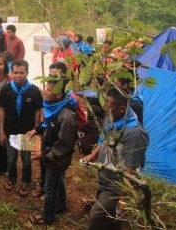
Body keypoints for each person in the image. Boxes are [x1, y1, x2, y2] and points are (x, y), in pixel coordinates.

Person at [86, 88, 148, 230]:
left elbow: (130, 170)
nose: (105, 108)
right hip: (105, 177)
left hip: (116, 186)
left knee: (96, 219)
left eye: (109, 105)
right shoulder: (112, 119)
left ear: (122, 109)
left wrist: (123, 199)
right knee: (111, 220)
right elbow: (104, 141)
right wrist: (93, 155)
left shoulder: (134, 134)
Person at [28, 70, 79, 226]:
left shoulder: (67, 116)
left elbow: (63, 145)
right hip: (51, 154)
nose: (45, 91)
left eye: (49, 90)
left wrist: (43, 155)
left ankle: (48, 216)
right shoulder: (54, 106)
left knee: (49, 187)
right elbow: (48, 123)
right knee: (59, 180)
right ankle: (61, 205)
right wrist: (37, 129)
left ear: (58, 94)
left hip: (56, 158)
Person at [0, 59, 43, 195]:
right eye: (15, 72)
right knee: (11, 160)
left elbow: (37, 110)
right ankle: (12, 179)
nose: (18, 76)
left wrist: (36, 128)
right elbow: (2, 110)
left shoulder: (33, 91)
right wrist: (1, 131)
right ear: (11, 73)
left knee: (26, 160)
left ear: (27, 73)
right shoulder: (6, 89)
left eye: (21, 73)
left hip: (27, 132)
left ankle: (26, 182)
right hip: (10, 132)